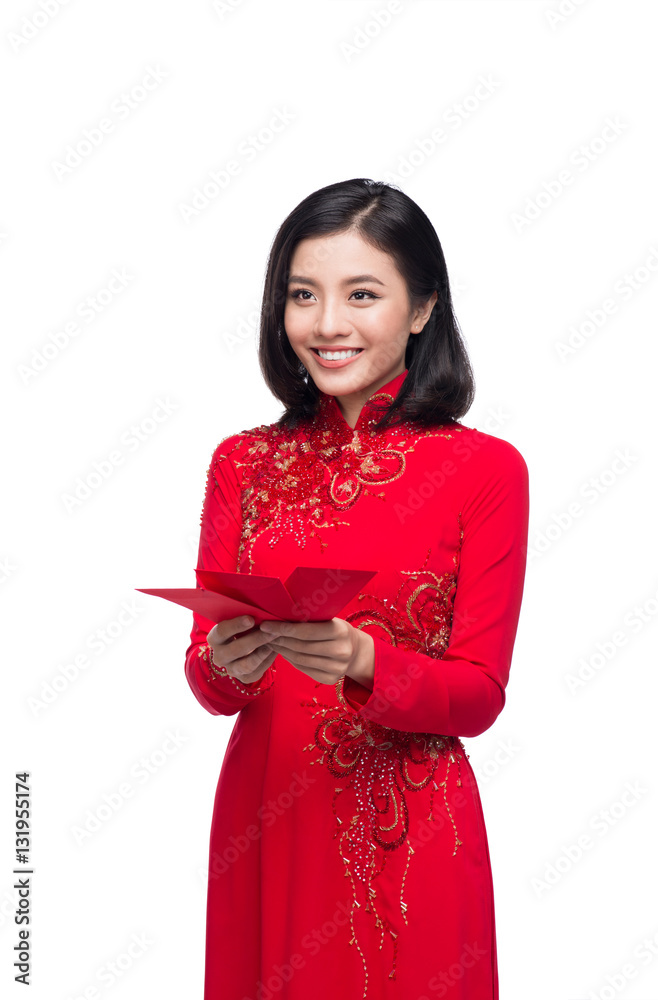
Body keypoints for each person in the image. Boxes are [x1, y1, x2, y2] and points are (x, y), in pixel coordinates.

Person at [184, 177, 529, 1000]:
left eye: (361, 294)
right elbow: (207, 682)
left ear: (420, 310)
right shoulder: (242, 463)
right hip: (265, 820)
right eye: (302, 295)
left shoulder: (483, 470)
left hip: (405, 830)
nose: (326, 324)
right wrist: (227, 662)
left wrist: (364, 658)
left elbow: (478, 695)